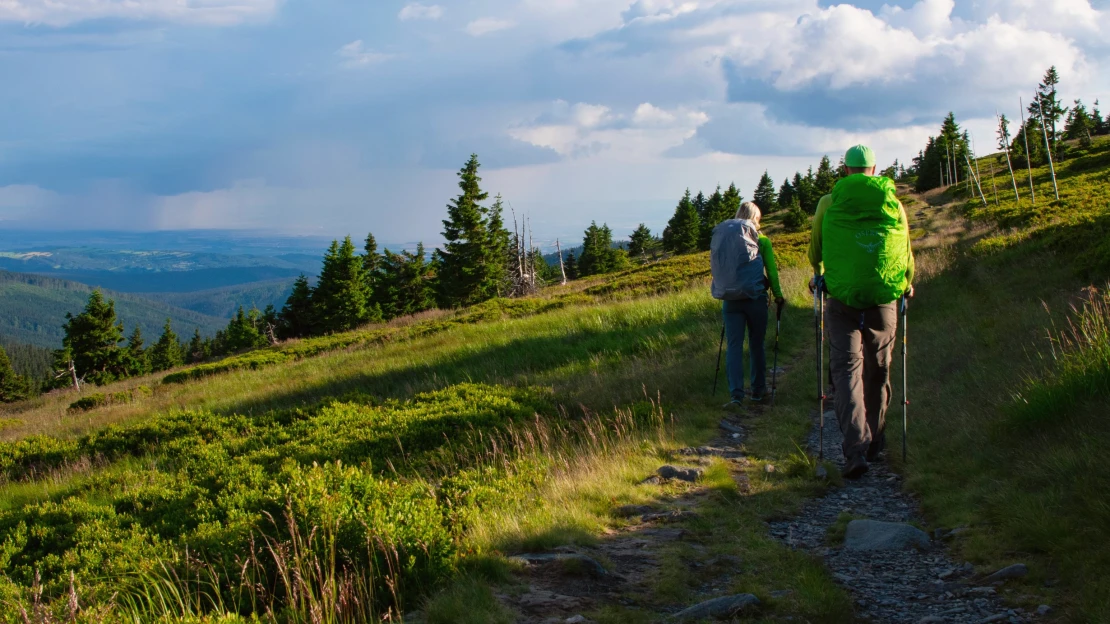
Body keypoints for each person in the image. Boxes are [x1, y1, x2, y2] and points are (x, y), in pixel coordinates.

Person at [809, 145, 915, 478]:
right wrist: (907, 282)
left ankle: (855, 448)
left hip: (841, 299)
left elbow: (816, 247)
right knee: (878, 370)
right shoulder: (893, 203)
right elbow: (904, 249)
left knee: (845, 372)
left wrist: (818, 273)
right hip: (884, 299)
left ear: (845, 171)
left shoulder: (829, 201)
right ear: (874, 170)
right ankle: (875, 440)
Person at [711, 201, 785, 412]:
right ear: (756, 219)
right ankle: (758, 391)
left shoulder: (726, 239)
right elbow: (771, 271)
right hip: (755, 299)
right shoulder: (762, 241)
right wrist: (778, 296)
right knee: (756, 344)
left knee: (734, 346)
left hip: (731, 301)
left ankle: (736, 395)